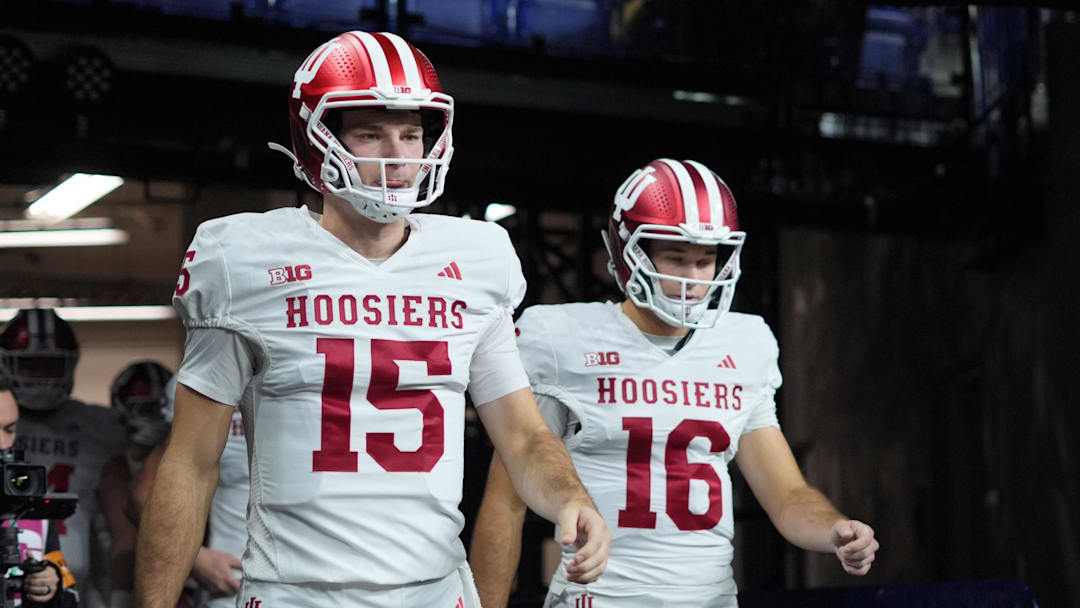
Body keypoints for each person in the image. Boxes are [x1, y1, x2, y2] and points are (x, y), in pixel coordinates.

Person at [134, 30, 610, 608]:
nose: (398, 156)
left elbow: (524, 435)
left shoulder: (478, 259)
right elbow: (191, 462)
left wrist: (570, 498)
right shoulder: (245, 260)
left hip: (432, 592)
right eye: (370, 133)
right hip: (295, 594)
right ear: (317, 141)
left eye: (411, 134)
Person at [470, 159, 880, 607]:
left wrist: (833, 529)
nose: (693, 278)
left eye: (706, 260)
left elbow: (786, 495)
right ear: (628, 253)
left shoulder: (746, 343)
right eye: (676, 258)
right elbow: (506, 503)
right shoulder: (559, 338)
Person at [0, 309, 128, 607]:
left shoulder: (100, 427)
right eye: (31, 366)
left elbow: (121, 515)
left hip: (62, 572)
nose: (42, 378)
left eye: (51, 365)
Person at [129, 376, 248, 608]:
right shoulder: (209, 374)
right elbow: (143, 495)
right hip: (234, 582)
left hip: (324, 574)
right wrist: (196, 557)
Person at [0, 381, 80, 607]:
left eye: (9, 429)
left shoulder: (30, 503)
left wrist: (50, 583)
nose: (2, 443)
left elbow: (71, 598)